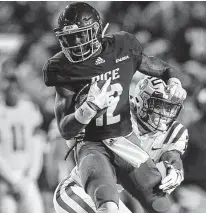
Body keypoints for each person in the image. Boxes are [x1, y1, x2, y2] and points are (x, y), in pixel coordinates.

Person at [42, 2, 187, 212]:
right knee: (108, 206)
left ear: (96, 29)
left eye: (81, 35)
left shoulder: (122, 46)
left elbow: (163, 68)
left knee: (162, 207)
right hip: (91, 144)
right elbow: (65, 129)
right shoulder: (62, 68)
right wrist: (88, 109)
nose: (75, 43)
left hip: (124, 140)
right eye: (69, 37)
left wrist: (174, 81)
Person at [53, 76, 188, 213]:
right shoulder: (117, 115)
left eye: (169, 108)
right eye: (159, 105)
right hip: (78, 190)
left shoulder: (173, 133)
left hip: (109, 198)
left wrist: (175, 170)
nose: (165, 114)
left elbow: (172, 156)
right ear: (141, 101)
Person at [0, 73, 45, 213]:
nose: (12, 92)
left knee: (36, 209)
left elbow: (37, 144)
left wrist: (31, 175)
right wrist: (11, 180)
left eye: (14, 88)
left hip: (27, 175)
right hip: (5, 178)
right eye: (8, 88)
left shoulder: (29, 108)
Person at [175, 86, 206, 213]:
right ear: (201, 106)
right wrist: (179, 192)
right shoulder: (190, 130)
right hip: (196, 195)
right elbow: (175, 162)